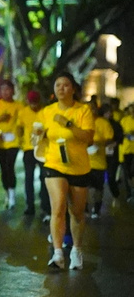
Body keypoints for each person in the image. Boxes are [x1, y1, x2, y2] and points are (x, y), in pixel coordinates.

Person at [32, 71, 94, 270]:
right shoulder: (46, 111)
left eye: (66, 85)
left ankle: (76, 249)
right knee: (58, 206)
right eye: (58, 85)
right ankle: (58, 254)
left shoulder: (83, 111)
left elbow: (88, 139)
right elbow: (37, 135)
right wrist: (37, 135)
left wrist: (67, 124)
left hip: (78, 167)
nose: (61, 88)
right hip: (54, 164)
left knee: (76, 213)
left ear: (73, 89)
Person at [0, 79, 21, 209]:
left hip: (13, 142)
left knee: (10, 166)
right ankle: (7, 192)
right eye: (3, 90)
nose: (5, 92)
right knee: (3, 168)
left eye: (8, 89)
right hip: (0, 142)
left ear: (13, 91)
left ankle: (12, 194)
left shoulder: (19, 106)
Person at [18, 89, 51, 217]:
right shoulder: (23, 112)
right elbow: (19, 127)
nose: (34, 105)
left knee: (44, 177)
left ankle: (45, 205)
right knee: (29, 178)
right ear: (27, 101)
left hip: (42, 149)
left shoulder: (45, 112)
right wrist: (20, 140)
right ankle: (30, 206)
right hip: (29, 149)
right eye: (31, 102)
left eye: (35, 102)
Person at [86, 104, 114, 218]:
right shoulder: (81, 123)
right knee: (86, 188)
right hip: (84, 162)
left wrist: (100, 143)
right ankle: (85, 208)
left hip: (99, 162)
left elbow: (110, 139)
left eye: (92, 109)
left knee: (98, 188)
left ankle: (96, 208)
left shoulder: (103, 123)